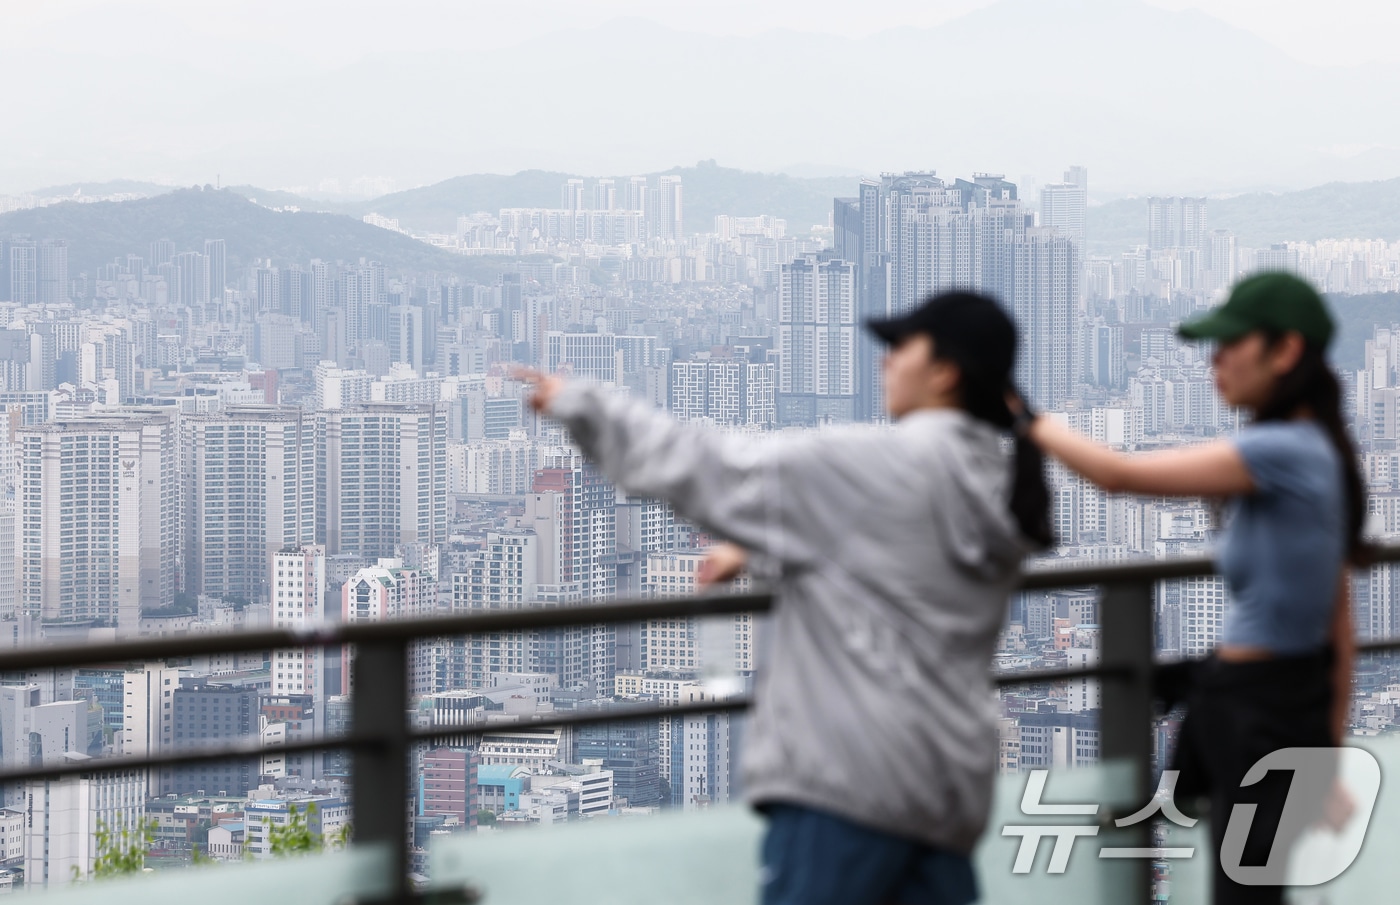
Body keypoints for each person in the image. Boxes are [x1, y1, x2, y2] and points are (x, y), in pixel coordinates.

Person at [518, 290, 1051, 905]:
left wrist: (581, 403)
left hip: (847, 788)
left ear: (944, 371)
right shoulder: (998, 477)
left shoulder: (876, 465)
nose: (885, 362)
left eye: (901, 347)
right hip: (947, 791)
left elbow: (711, 467)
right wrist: (757, 553)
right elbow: (888, 560)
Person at [1017, 272, 1362, 905]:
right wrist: (1327, 752)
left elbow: (1118, 476)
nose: (1215, 361)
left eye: (1232, 345)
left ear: (1285, 352)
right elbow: (1338, 619)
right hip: (1241, 699)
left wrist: (1029, 420)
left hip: (1263, 714)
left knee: (1245, 888)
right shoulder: (1312, 452)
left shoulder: (1281, 451)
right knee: (1220, 866)